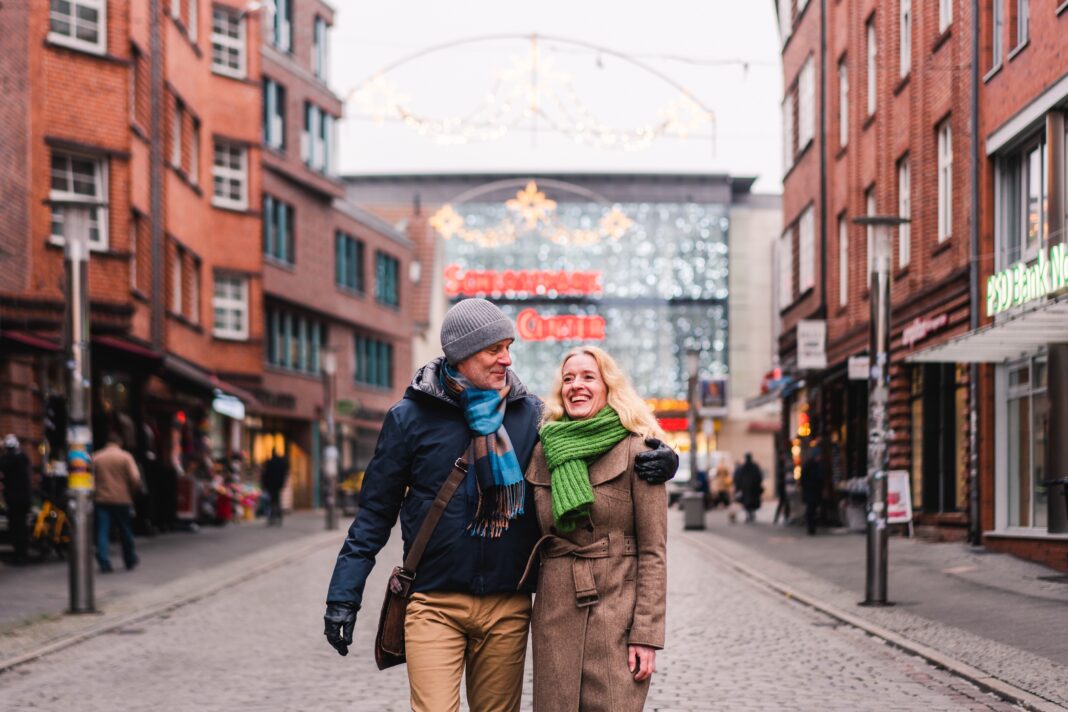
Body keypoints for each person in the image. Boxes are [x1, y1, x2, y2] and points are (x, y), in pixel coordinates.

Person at [322, 299, 677, 712]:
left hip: (508, 606)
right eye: (495, 349)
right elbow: (374, 514)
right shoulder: (410, 418)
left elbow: (597, 435)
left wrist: (665, 457)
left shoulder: (532, 416)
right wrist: (343, 597)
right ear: (462, 354)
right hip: (434, 600)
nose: (507, 359)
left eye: (508, 347)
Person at [522, 346, 667, 712]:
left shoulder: (640, 451)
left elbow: (653, 551)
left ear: (608, 387)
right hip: (555, 610)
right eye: (568, 379)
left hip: (616, 609)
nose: (577, 386)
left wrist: (646, 635)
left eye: (588, 377)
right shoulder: (543, 450)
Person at [93, 433, 142, 572]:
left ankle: (104, 561)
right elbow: (135, 478)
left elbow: (89, 479)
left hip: (102, 499)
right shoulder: (125, 456)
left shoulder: (97, 457)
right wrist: (131, 492)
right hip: (122, 499)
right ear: (119, 442)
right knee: (125, 530)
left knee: (103, 531)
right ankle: (129, 558)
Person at [1, 434, 33, 565]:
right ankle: (21, 553)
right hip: (23, 498)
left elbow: (3, 464)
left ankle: (19, 555)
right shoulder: (22, 458)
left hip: (15, 499)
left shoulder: (11, 459)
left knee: (16, 527)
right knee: (21, 527)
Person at [801, 440, 825, 535]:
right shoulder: (809, 465)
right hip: (810, 491)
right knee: (811, 510)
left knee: (813, 509)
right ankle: (810, 527)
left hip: (815, 491)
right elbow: (804, 479)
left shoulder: (818, 465)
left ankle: (812, 527)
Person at [733, 453, 764, 523]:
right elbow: (759, 477)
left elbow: (738, 478)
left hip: (747, 488)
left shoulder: (744, 467)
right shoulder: (753, 467)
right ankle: (750, 514)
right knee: (750, 502)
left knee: (748, 503)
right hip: (750, 489)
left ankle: (749, 514)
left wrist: (739, 487)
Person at [262, 448, 289, 526]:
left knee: (273, 501)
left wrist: (265, 485)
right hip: (278, 484)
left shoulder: (270, 462)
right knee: (277, 500)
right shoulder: (281, 462)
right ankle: (277, 516)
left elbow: (266, 475)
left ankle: (273, 517)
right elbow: (284, 473)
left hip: (271, 485)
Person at [773, 445, 792, 525]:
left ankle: (783, 517)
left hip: (784, 486)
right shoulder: (781, 465)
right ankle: (781, 518)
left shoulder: (782, 464)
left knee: (784, 503)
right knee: (783, 502)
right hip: (782, 487)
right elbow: (781, 475)